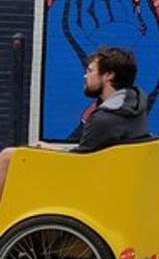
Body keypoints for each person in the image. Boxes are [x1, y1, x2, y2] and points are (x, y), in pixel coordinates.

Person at [0, 47, 148, 203]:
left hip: (89, 185)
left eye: (90, 71)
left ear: (108, 76)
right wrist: (53, 149)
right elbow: (90, 151)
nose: (85, 76)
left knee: (9, 157)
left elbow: (79, 163)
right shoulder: (133, 105)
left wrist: (49, 153)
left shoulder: (104, 119)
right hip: (112, 177)